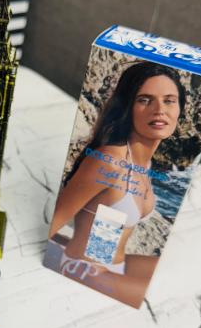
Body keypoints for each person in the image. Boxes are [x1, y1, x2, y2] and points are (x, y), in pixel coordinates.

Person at [48, 62, 186, 306]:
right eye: (144, 100)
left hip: (109, 269)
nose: (159, 110)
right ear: (128, 106)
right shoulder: (111, 161)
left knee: (176, 272)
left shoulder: (143, 164)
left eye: (169, 101)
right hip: (82, 269)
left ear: (180, 109)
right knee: (176, 296)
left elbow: (106, 232)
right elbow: (56, 221)